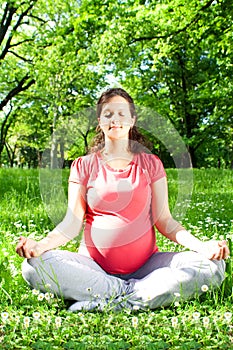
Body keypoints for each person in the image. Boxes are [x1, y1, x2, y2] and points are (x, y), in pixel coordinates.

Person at [16, 88, 229, 311]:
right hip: (92, 268)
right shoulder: (83, 165)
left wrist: (202, 246)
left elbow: (165, 221)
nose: (115, 119)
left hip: (147, 267)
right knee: (33, 267)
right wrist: (40, 246)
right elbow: (71, 223)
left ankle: (107, 300)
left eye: (121, 113)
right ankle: (133, 296)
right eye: (108, 114)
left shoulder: (150, 163)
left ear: (132, 120)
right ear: (99, 120)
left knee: (213, 266)